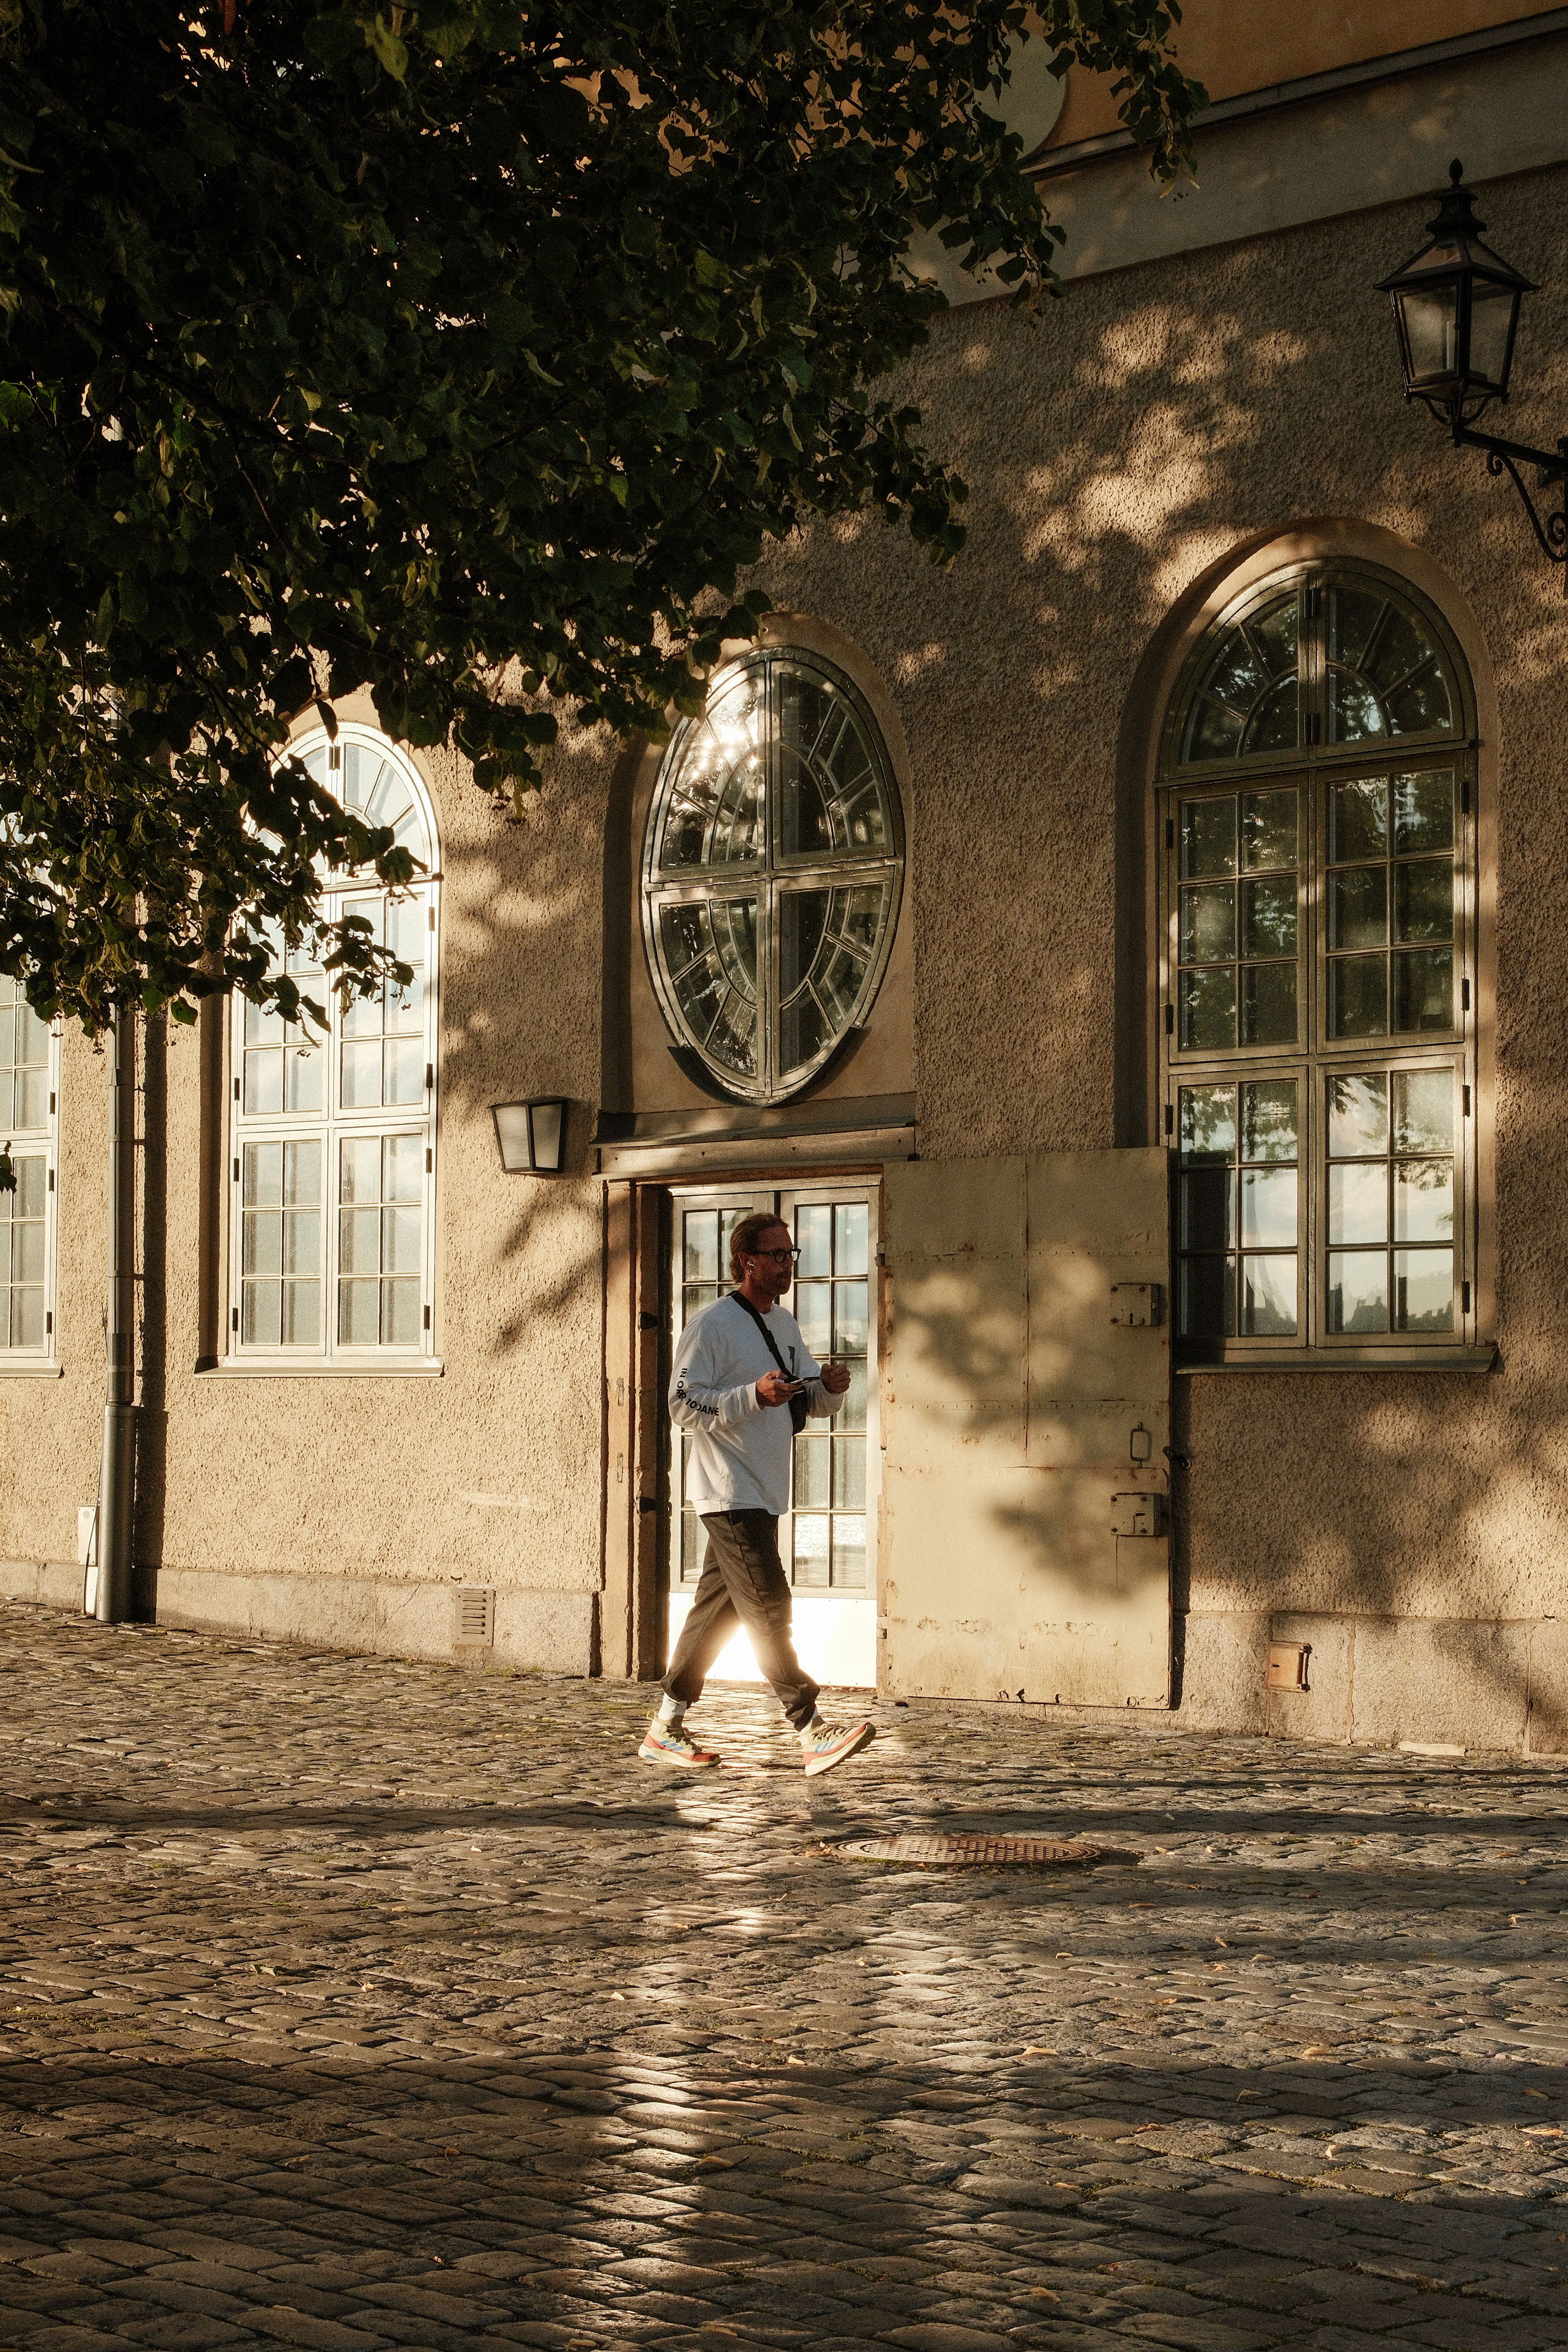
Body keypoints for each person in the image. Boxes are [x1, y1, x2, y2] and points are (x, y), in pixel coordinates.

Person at [639, 1210, 877, 1775]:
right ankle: (811, 1727)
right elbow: (681, 1404)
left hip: (765, 1489)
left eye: (791, 1254)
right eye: (777, 1255)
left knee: (716, 1615)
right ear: (747, 1260)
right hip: (728, 1488)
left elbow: (802, 1398)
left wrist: (833, 1390)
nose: (787, 1264)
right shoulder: (714, 1324)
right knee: (770, 1605)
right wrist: (751, 1396)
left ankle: (665, 1729)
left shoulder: (785, 1324)